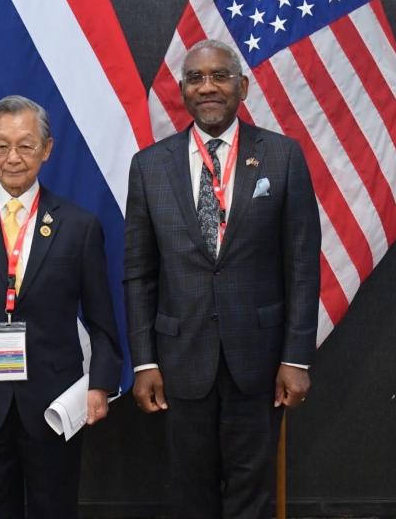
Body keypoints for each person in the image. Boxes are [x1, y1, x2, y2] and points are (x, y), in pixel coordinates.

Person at [124, 39, 321, 518]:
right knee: (189, 493)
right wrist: (144, 361)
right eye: (195, 78)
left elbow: (301, 266)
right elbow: (139, 274)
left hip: (259, 361)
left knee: (252, 492)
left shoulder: (282, 157)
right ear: (183, 91)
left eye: (219, 76)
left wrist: (296, 357)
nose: (207, 86)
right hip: (180, 360)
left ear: (243, 87)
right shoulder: (149, 166)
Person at [0, 95, 122, 519]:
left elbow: (103, 318)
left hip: (55, 399)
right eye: (1, 145)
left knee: (55, 507)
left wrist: (101, 385)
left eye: (26, 145)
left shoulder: (79, 226)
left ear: (46, 149)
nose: (13, 158)